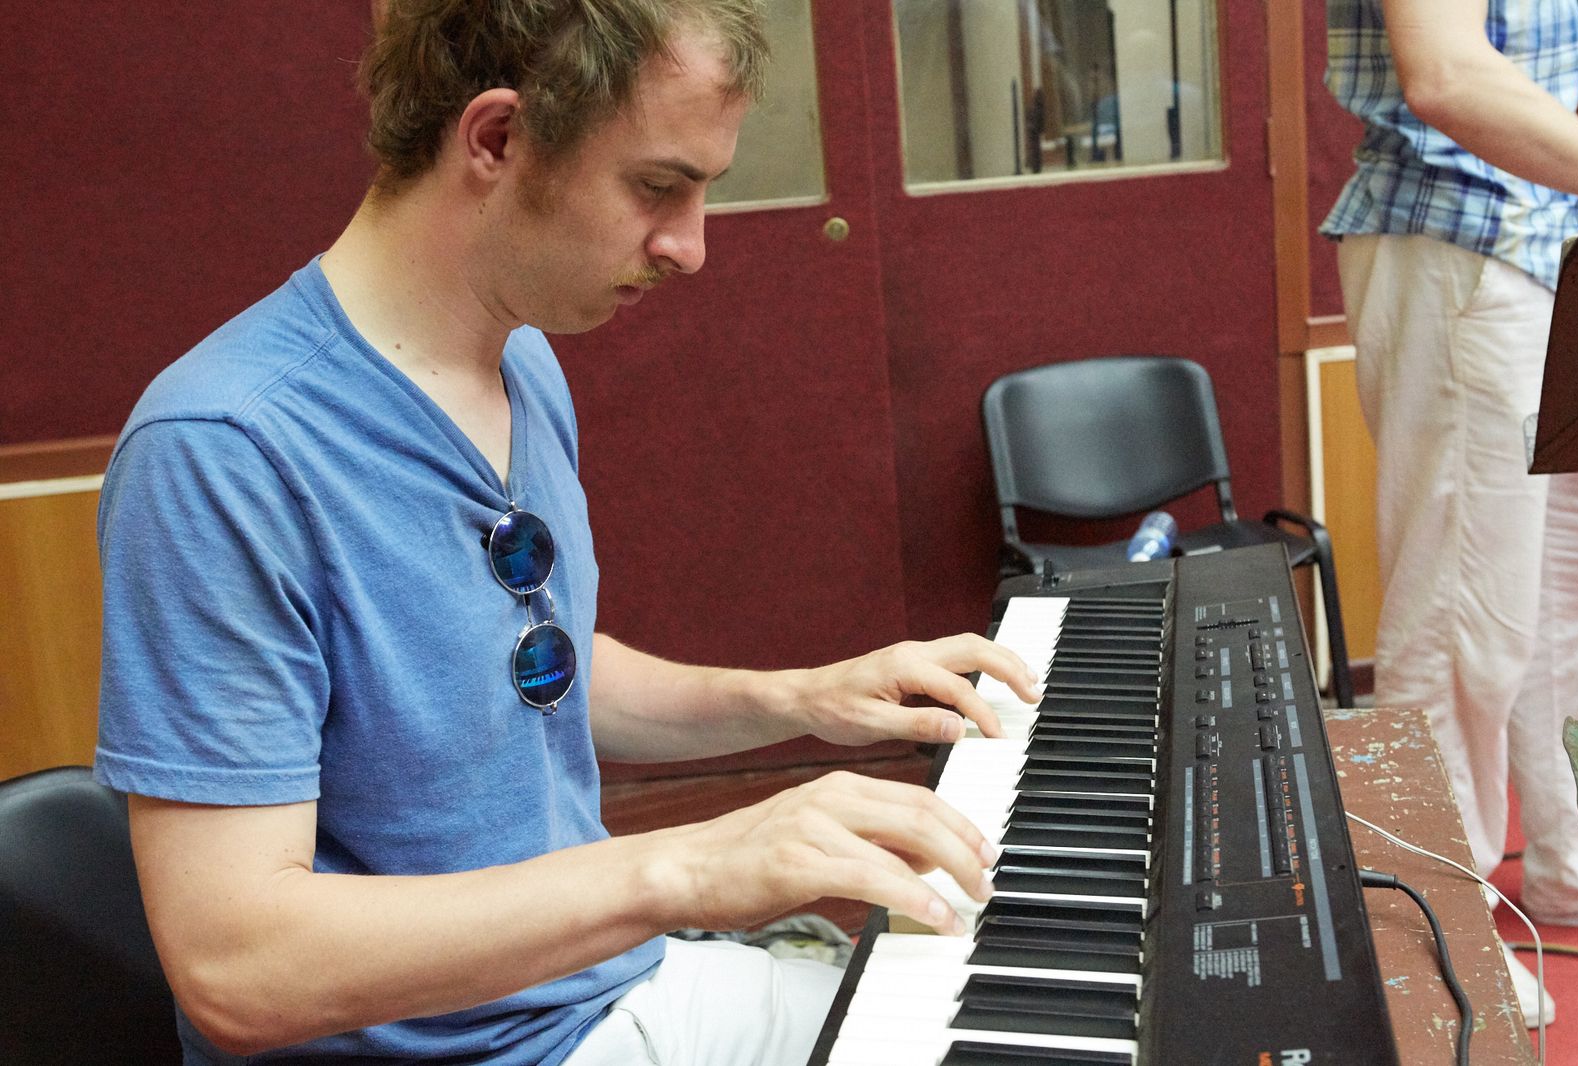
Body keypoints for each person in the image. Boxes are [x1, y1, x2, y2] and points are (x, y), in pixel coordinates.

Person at [91, 3, 1043, 1063]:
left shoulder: (521, 359)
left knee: (997, 1024)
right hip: (469, 1049)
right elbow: (238, 968)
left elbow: (519, 677)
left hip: (593, 995)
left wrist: (797, 699)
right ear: (497, 138)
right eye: (657, 187)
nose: (689, 248)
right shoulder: (222, 451)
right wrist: (685, 867)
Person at [1322, 0, 1578, 1027]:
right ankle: (1434, 932)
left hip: (1551, 236)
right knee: (1458, 622)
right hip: (1465, 238)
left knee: (1564, 593)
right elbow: (1443, 74)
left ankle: (1573, 861)